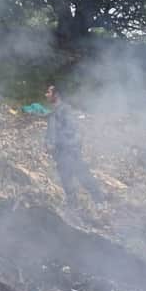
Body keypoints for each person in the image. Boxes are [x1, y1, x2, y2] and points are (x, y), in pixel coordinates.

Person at [44, 84, 107, 212]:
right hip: (60, 154)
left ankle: (100, 201)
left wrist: (66, 146)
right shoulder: (54, 112)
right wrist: (48, 143)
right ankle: (73, 207)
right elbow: (52, 132)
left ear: (56, 95)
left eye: (49, 92)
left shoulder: (65, 110)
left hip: (69, 152)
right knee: (66, 181)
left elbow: (73, 131)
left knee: (83, 176)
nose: (46, 95)